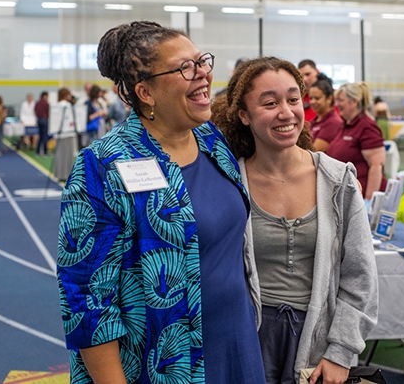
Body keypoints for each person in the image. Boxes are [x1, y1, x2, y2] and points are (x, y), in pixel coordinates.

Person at [56, 21, 265, 384]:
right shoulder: (103, 166)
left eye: (202, 61)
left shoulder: (212, 140)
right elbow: (87, 301)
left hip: (235, 342)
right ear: (145, 92)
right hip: (164, 362)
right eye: (186, 68)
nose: (203, 74)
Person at [211, 56, 378, 384]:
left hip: (317, 346)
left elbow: (360, 276)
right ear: (243, 115)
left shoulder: (337, 179)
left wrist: (341, 352)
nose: (286, 112)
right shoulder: (229, 181)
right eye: (270, 103)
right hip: (247, 340)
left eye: (293, 99)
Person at [325, 82, 387, 200]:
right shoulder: (345, 125)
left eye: (340, 100)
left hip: (361, 198)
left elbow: (376, 166)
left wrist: (368, 202)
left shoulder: (367, 127)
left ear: (354, 101)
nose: (336, 104)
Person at [308, 79, 343, 152]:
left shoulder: (333, 122)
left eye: (317, 98)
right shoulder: (314, 121)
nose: (313, 101)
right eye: (311, 98)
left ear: (329, 98)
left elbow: (314, 151)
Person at [52, 88, 79, 182]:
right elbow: (72, 120)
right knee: (68, 156)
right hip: (68, 133)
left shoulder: (56, 106)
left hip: (59, 134)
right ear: (65, 95)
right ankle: (67, 175)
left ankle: (59, 174)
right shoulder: (69, 106)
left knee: (59, 155)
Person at [35, 91, 50, 156]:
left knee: (40, 136)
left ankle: (38, 151)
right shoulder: (46, 104)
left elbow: (35, 110)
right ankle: (45, 151)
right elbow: (48, 112)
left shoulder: (37, 103)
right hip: (44, 120)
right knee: (44, 136)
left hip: (39, 120)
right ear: (44, 96)